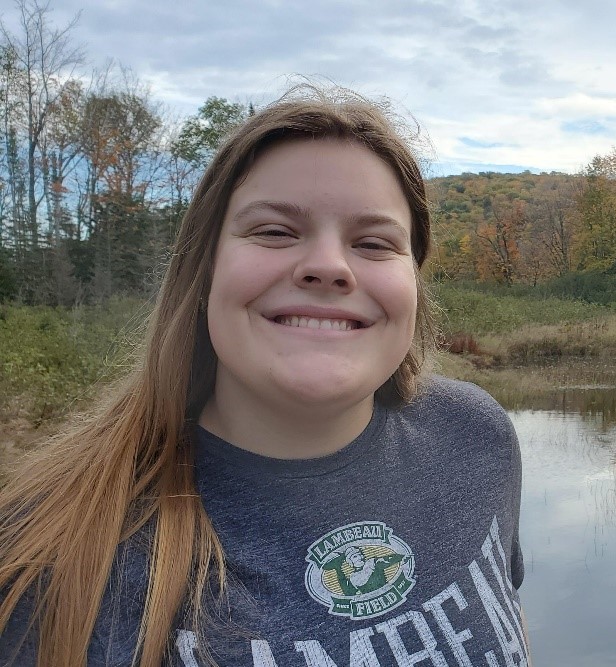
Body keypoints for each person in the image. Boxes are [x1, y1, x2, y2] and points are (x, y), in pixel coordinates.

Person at [0, 86, 529, 666]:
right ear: (204, 271)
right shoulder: (45, 559)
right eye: (275, 231)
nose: (328, 266)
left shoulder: (477, 439)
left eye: (374, 243)